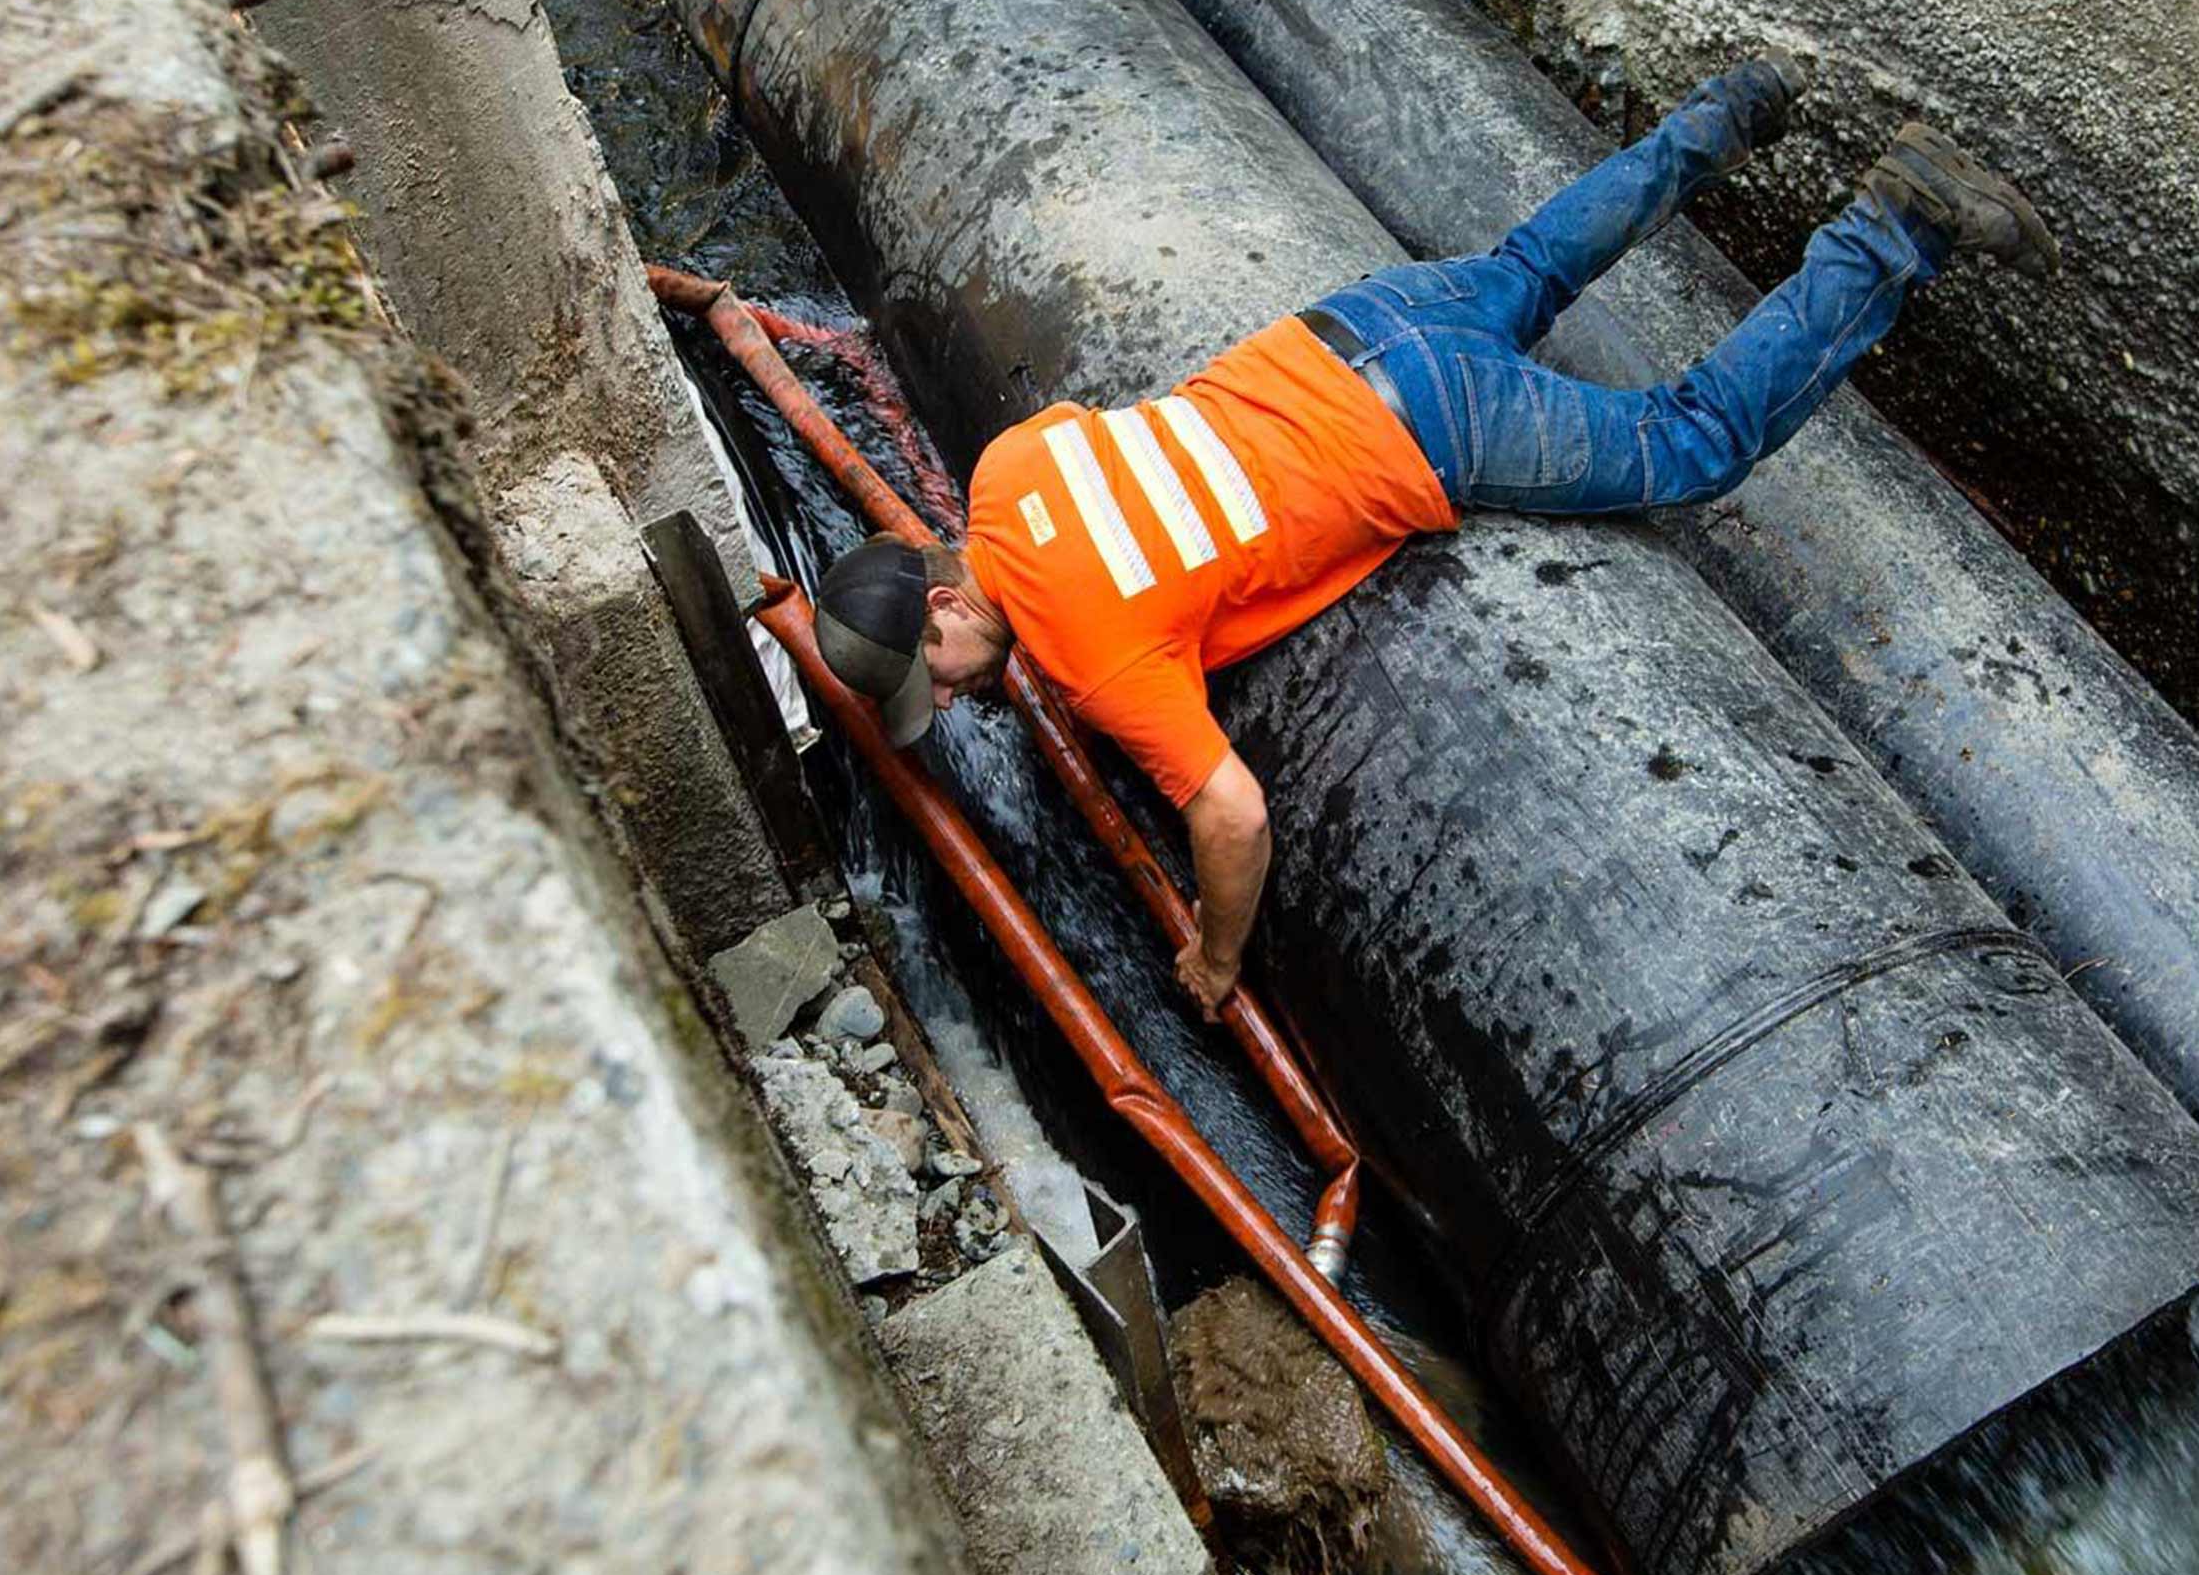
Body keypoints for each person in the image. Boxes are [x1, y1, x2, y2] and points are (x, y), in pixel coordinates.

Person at [807, 56, 2058, 1017]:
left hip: (1427, 427)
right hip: (1346, 328)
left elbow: (1233, 813)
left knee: (1688, 441)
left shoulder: (1091, 663)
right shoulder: (1006, 464)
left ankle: (1899, 225)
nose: (963, 700)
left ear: (943, 610)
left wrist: (1214, 951)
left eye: (944, 680)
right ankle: (1743, 99)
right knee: (1534, 266)